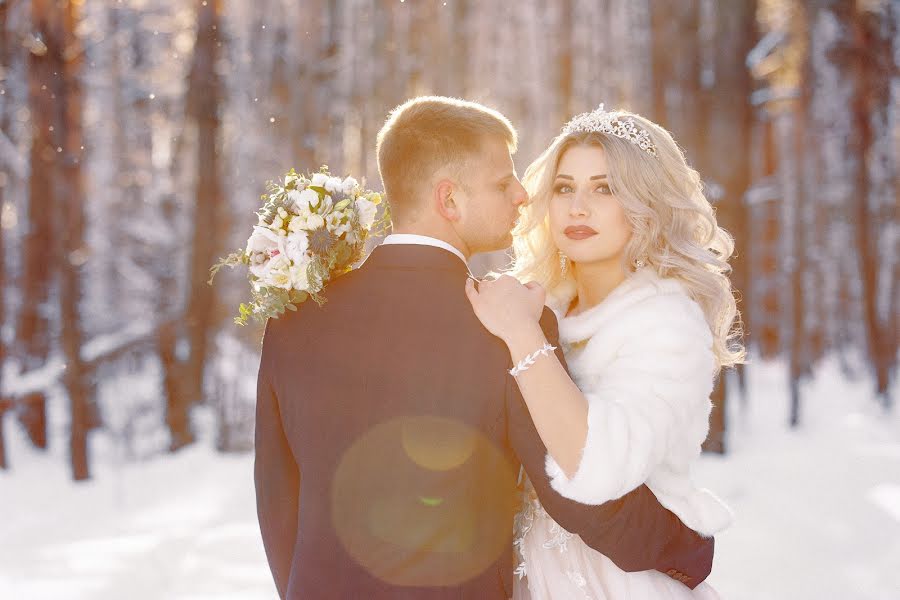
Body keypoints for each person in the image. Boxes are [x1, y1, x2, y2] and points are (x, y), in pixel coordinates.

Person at [254, 97, 716, 599]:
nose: (522, 196)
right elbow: (576, 497)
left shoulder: (293, 321)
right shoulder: (508, 324)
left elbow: (277, 500)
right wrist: (689, 549)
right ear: (449, 201)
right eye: (502, 183)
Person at [465, 104, 742, 599]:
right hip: (526, 573)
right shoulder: (541, 303)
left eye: (604, 189)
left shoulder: (668, 322)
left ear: (646, 202)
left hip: (620, 579)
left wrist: (523, 337)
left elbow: (597, 469)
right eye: (565, 188)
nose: (578, 208)